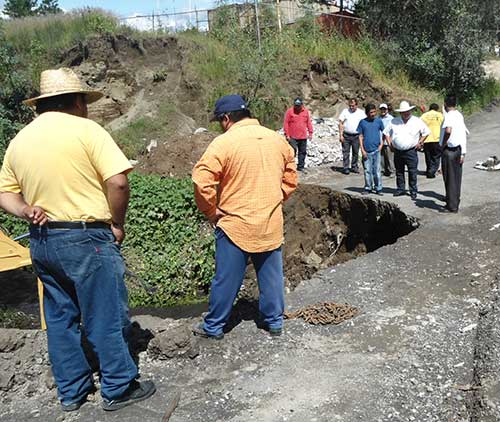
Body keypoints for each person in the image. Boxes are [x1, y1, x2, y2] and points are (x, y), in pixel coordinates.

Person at [0, 68, 156, 412]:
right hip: (86, 238)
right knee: (104, 313)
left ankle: (71, 391)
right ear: (75, 102)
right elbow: (118, 182)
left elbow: (4, 193)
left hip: (43, 240)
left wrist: (26, 209)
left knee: (60, 318)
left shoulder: (20, 140)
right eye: (84, 101)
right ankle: (118, 386)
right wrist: (117, 223)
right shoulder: (87, 131)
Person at [192, 94, 297, 340]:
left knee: (226, 279)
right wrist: (275, 198)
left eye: (219, 121)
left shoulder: (224, 143)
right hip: (270, 221)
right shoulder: (277, 140)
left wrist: (211, 210)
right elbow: (291, 177)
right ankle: (274, 323)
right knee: (271, 276)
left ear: (226, 118)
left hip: (235, 224)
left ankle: (214, 327)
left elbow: (201, 179)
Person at [384, 101, 430, 200]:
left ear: (410, 111)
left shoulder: (416, 121)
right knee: (399, 171)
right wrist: (389, 143)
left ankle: (413, 190)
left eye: (408, 111)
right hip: (398, 150)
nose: (406, 113)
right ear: (400, 113)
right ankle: (400, 189)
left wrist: (420, 142)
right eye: (404, 112)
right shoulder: (394, 121)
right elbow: (386, 133)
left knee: (412, 171)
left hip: (411, 151)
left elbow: (426, 132)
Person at [440, 96, 469, 213]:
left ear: (445, 104)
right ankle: (455, 200)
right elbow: (463, 133)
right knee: (457, 177)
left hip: (449, 150)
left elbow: (448, 130)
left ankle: (452, 206)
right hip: (458, 149)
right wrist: (463, 153)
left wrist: (443, 143)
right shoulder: (459, 115)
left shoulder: (449, 116)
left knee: (449, 177)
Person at [357, 103, 385, 195]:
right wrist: (362, 150)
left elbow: (384, 132)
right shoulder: (362, 122)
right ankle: (368, 187)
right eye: (371, 112)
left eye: (374, 112)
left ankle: (378, 188)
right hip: (366, 151)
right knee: (367, 170)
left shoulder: (379, 121)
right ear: (367, 113)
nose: (373, 114)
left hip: (376, 150)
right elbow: (360, 136)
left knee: (377, 170)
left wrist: (381, 144)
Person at [283, 97, 313, 172]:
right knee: (292, 151)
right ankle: (291, 167)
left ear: (301, 105)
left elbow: (308, 122)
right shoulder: (290, 111)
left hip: (303, 136)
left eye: (298, 105)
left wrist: (310, 132)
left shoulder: (305, 112)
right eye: (296, 105)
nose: (297, 107)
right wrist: (287, 134)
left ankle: (301, 166)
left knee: (302, 152)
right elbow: (286, 123)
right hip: (292, 136)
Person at [338, 98, 366, 175]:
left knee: (355, 152)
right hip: (346, 135)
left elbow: (364, 124)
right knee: (345, 152)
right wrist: (340, 135)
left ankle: (354, 166)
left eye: (353, 106)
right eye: (350, 106)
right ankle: (346, 167)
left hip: (356, 135)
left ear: (356, 105)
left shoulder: (361, 113)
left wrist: (363, 135)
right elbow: (340, 122)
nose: (351, 107)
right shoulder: (345, 111)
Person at [420, 103, 444, 178]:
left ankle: (429, 169)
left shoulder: (424, 115)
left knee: (428, 156)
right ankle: (432, 171)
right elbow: (444, 125)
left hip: (427, 139)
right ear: (437, 108)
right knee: (436, 156)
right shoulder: (440, 115)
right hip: (437, 138)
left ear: (430, 108)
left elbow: (419, 125)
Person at [379, 103, 394, 177]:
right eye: (381, 109)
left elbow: (392, 130)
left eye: (384, 109)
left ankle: (392, 171)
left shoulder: (391, 118)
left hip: (388, 141)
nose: (383, 111)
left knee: (389, 157)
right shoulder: (378, 118)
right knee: (381, 157)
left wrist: (391, 140)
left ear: (387, 110)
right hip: (380, 141)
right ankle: (383, 170)